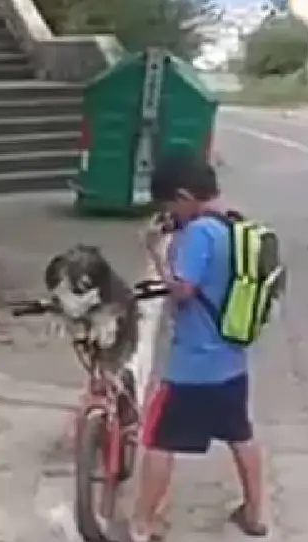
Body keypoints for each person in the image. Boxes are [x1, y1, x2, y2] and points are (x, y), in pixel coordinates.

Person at [130, 155, 268, 541]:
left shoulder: (200, 234)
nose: (170, 213)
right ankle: (255, 515)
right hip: (232, 358)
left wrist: (157, 252)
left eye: (170, 204)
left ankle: (143, 522)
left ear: (184, 195)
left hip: (193, 363)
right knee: (240, 433)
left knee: (159, 439)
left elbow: (183, 291)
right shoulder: (236, 226)